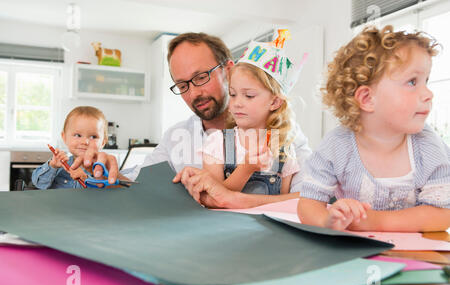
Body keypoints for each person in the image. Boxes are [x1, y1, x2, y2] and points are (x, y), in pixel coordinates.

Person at [74, 32, 312, 207]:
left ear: (228, 71)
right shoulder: (176, 137)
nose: (194, 93)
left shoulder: (284, 134)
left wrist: (233, 198)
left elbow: (310, 199)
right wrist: (107, 170)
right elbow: (138, 182)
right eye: (182, 85)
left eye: (200, 77)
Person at [297, 25, 450, 232]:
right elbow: (308, 204)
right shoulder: (337, 145)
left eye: (426, 81)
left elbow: (442, 214)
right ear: (367, 99)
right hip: (354, 254)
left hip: (417, 256)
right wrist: (328, 222)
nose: (428, 93)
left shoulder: (429, 146)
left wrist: (372, 221)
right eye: (412, 82)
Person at [200, 36, 306, 197]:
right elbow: (212, 198)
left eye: (249, 96)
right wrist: (246, 168)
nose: (237, 103)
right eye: (233, 94)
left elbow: (282, 202)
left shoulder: (284, 149)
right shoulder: (217, 143)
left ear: (275, 102)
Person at [32, 106, 108, 189]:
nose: (84, 142)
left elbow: (107, 196)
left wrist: (85, 179)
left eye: (93, 137)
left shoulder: (105, 170)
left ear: (103, 142)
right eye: (77, 135)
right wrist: (52, 166)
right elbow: (39, 184)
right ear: (64, 138)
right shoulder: (59, 164)